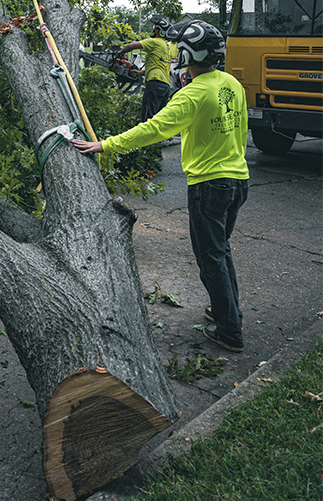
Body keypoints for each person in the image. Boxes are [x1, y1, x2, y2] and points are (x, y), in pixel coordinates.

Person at [73, 20, 249, 353]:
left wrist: (106, 145)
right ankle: (226, 310)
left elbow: (153, 129)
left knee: (211, 257)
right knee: (220, 250)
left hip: (209, 184)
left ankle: (229, 330)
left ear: (187, 54)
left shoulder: (192, 94)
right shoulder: (232, 84)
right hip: (238, 180)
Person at [117, 14, 172, 121]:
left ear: (158, 31)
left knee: (148, 119)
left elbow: (132, 46)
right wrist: (139, 73)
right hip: (165, 85)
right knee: (158, 119)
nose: (153, 29)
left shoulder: (155, 42)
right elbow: (157, 66)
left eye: (154, 28)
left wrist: (121, 51)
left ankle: (148, 138)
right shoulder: (166, 46)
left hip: (155, 84)